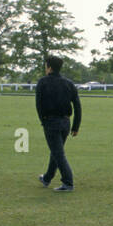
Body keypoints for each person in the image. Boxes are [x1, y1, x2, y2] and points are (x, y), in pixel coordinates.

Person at [35, 55, 81, 192]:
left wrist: (43, 121)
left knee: (58, 153)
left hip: (51, 122)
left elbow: (38, 105)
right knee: (56, 151)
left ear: (49, 67)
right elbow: (77, 106)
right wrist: (76, 126)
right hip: (66, 122)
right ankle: (47, 178)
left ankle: (68, 182)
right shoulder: (69, 83)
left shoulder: (42, 82)